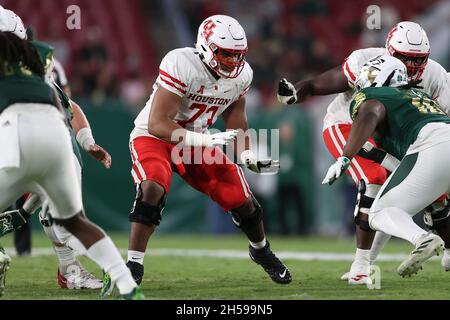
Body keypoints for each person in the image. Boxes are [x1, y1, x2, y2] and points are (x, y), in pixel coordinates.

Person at [115, 15, 291, 287]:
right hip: (155, 137)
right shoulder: (182, 63)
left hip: (197, 141)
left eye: (238, 55)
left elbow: (236, 116)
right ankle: (133, 264)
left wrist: (245, 154)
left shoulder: (242, 75)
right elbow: (158, 123)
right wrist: (205, 140)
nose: (233, 62)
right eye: (226, 54)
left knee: (242, 199)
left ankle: (261, 250)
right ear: (206, 47)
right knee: (152, 186)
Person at [277, 21, 450, 284]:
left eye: (418, 60)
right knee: (375, 179)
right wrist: (295, 94)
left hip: (405, 136)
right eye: (404, 58)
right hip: (348, 126)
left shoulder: (434, 76)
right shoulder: (367, 66)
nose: (411, 66)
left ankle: (424, 244)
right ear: (388, 52)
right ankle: (362, 264)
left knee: (428, 196)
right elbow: (318, 86)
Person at [0, 6, 142, 299]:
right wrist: (87, 142)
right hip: (56, 144)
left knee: (57, 222)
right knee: (71, 222)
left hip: (15, 139)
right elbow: (67, 105)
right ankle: (122, 278)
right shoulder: (39, 64)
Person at [322, 55, 449, 277]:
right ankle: (368, 262)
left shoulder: (373, 95)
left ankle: (423, 238)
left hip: (432, 146)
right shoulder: (417, 95)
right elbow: (399, 163)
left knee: (378, 212)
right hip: (437, 144)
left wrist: (345, 157)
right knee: (391, 208)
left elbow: (371, 111)